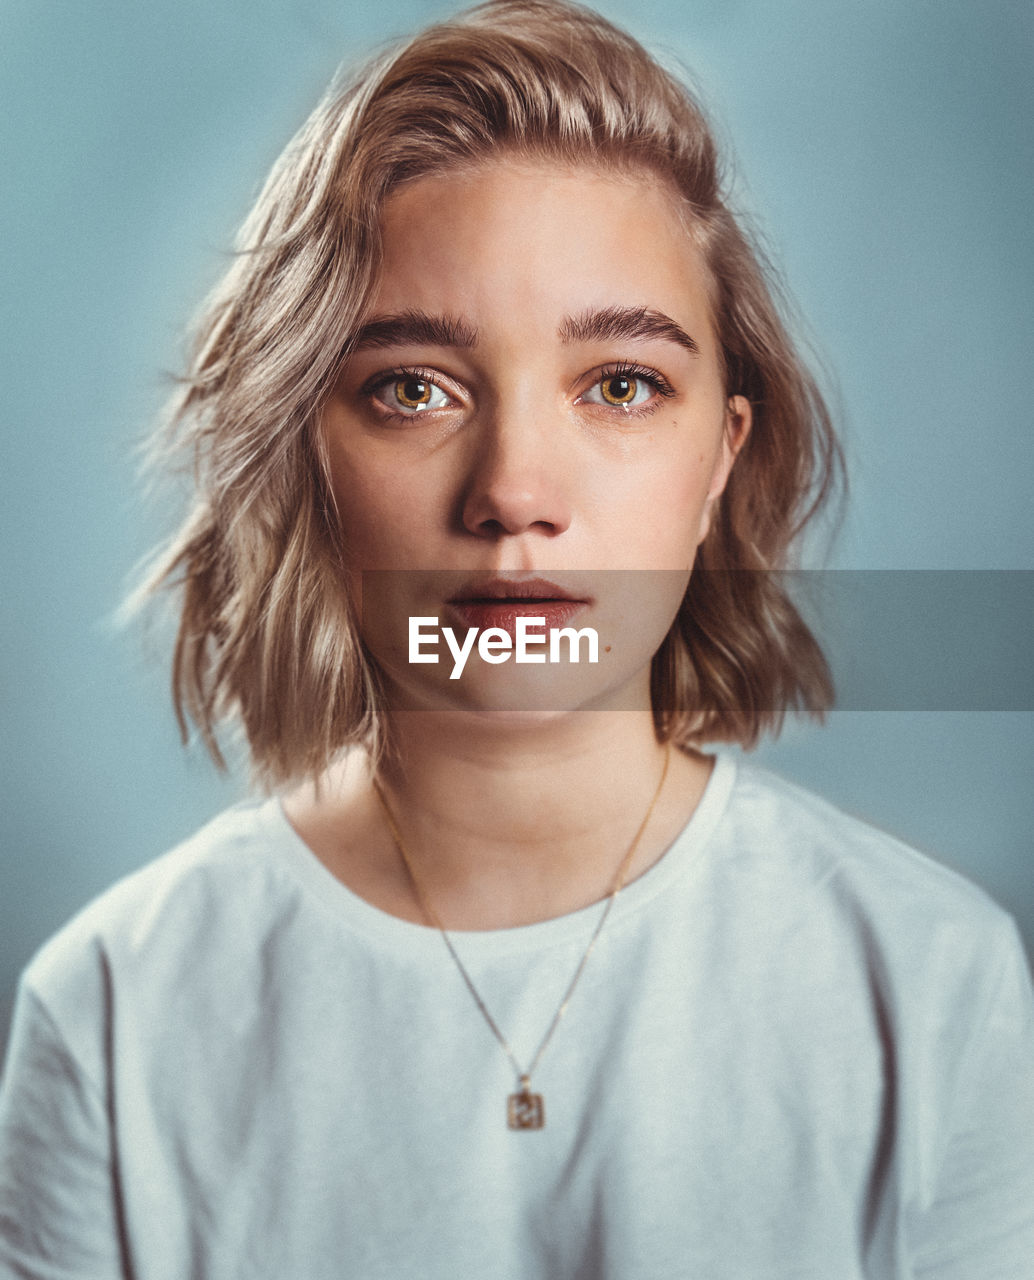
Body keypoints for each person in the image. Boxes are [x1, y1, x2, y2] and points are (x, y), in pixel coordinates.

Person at [1, 1, 1032, 1275]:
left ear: (722, 451)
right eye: (412, 388)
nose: (513, 490)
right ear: (305, 454)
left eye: (620, 384)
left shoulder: (933, 985)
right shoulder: (111, 1012)